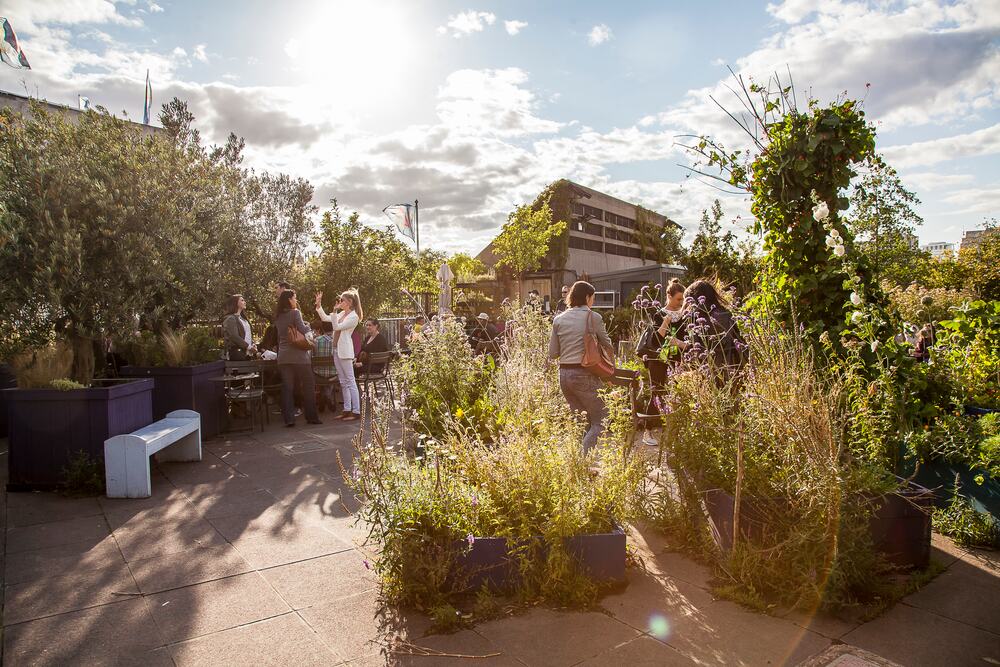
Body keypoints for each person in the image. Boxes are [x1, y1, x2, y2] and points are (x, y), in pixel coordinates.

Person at [548, 281, 614, 454]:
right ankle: (582, 462)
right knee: (602, 419)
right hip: (584, 374)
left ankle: (575, 464)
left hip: (564, 375)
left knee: (580, 422)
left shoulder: (558, 319)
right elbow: (608, 344)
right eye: (593, 297)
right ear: (587, 297)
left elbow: (553, 353)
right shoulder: (594, 317)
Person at [641, 279, 688, 446]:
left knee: (679, 394)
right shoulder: (658, 314)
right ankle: (647, 431)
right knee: (657, 393)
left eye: (683, 299)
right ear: (669, 296)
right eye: (678, 299)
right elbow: (655, 339)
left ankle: (676, 431)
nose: (681, 303)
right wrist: (666, 322)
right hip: (659, 359)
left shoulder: (686, 314)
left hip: (678, 359)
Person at [682, 279, 748, 382]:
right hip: (733, 368)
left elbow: (696, 349)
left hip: (710, 373)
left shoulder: (697, 319)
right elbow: (739, 341)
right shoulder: (726, 314)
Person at [274, 289, 321, 427]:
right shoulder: (295, 313)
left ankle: (289, 419)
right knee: (308, 385)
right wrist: (311, 331)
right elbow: (302, 329)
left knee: (287, 388)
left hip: (283, 356)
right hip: (299, 357)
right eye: (295, 298)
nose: (296, 300)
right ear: (289, 299)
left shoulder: (277, 316)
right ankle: (311, 417)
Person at [317, 288, 363, 421]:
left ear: (349, 302)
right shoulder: (343, 313)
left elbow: (336, 327)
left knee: (350, 381)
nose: (340, 302)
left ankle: (356, 411)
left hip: (345, 351)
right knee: (343, 382)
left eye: (342, 300)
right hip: (337, 350)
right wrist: (319, 305)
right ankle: (347, 410)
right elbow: (326, 318)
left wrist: (335, 311)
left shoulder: (353, 317)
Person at [311, 320, 337, 412]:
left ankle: (324, 396)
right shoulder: (338, 341)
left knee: (318, 372)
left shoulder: (316, 341)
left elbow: (311, 357)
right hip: (334, 375)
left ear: (322, 329)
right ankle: (327, 395)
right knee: (332, 374)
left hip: (318, 375)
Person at [222, 294, 256, 361]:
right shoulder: (230, 319)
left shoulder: (244, 320)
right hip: (237, 353)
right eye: (242, 300)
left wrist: (253, 344)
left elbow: (247, 335)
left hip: (248, 353)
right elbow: (234, 336)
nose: (245, 302)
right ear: (235, 303)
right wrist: (249, 347)